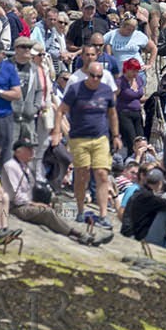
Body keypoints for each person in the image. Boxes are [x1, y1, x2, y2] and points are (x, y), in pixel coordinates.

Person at [55, 60, 121, 229]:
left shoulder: (106, 91)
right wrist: (57, 131)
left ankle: (103, 214)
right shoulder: (76, 89)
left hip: (100, 137)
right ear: (87, 75)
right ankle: (80, 209)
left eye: (99, 76)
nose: (95, 79)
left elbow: (112, 114)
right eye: (92, 76)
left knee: (102, 174)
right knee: (82, 174)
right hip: (79, 137)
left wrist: (116, 135)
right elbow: (61, 110)